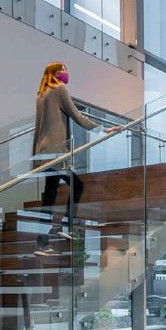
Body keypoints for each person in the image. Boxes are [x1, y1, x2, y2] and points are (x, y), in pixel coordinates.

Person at [32, 62, 98, 256]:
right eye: (62, 70)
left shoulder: (41, 94)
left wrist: (35, 157)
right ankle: (67, 226)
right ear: (54, 74)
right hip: (56, 151)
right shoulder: (59, 89)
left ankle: (42, 243)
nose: (66, 73)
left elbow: (38, 127)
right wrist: (103, 129)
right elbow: (77, 115)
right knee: (77, 185)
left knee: (49, 196)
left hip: (43, 151)